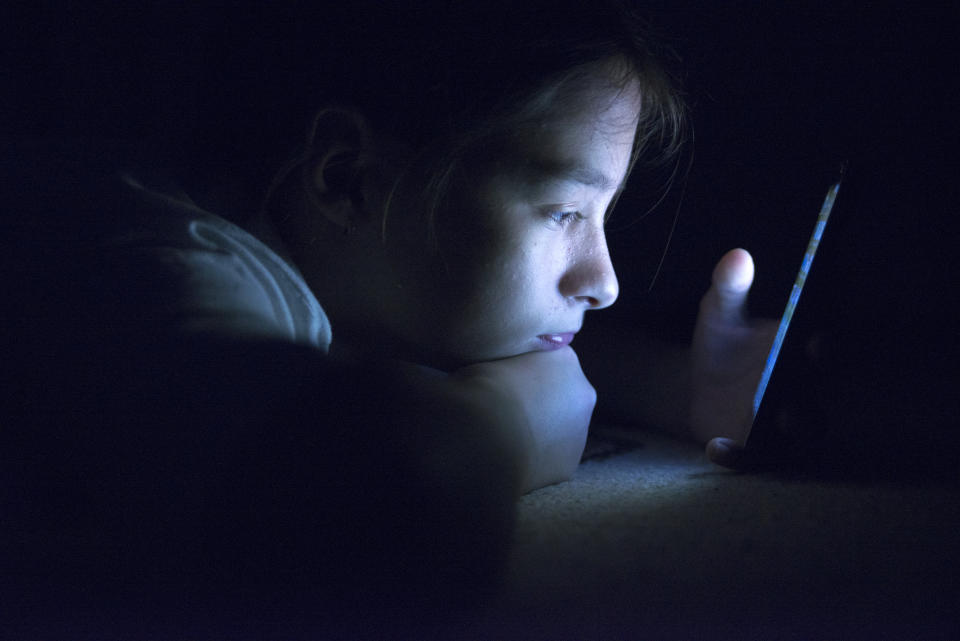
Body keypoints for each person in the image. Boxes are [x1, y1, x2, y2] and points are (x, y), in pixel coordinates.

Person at [4, 2, 777, 637]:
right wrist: (503, 425)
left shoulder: (312, 260)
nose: (604, 281)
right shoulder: (166, 266)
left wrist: (680, 387)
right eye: (563, 211)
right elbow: (394, 497)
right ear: (346, 177)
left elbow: (422, 344)